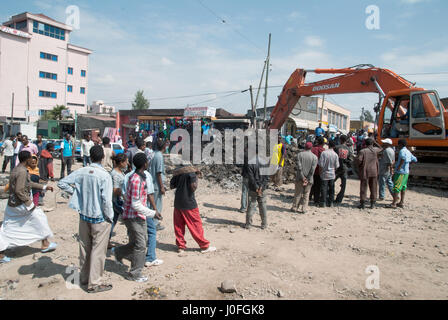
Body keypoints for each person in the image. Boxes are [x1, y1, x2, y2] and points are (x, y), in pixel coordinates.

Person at [58, 146, 114, 293]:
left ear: (90, 157)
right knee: (98, 251)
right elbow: (107, 201)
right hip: (100, 217)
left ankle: (83, 278)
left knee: (84, 248)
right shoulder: (104, 175)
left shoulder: (82, 171)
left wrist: (77, 193)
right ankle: (94, 283)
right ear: (102, 158)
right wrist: (110, 217)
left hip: (84, 216)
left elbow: (62, 183)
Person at [112, 153, 162, 282]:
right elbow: (135, 204)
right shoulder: (136, 180)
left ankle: (118, 252)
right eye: (147, 161)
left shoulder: (142, 176)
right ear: (145, 164)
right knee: (140, 245)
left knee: (139, 241)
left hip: (139, 215)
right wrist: (153, 213)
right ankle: (134, 273)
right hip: (133, 216)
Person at [0, 151, 56, 264]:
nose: (33, 161)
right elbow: (19, 190)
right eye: (31, 159)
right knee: (40, 217)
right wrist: (29, 203)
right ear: (27, 160)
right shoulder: (22, 172)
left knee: (8, 226)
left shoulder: (17, 169)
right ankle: (45, 244)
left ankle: (1, 253)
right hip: (20, 205)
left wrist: (44, 187)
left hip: (12, 204)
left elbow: (28, 184)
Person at [170, 166, 216, 253]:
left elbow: (172, 186)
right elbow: (193, 187)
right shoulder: (192, 173)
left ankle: (180, 246)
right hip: (189, 203)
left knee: (178, 225)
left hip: (178, 202)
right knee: (195, 224)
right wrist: (196, 177)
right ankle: (204, 246)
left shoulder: (178, 172)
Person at [388, 139, 417, 209]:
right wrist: (408, 165)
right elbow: (415, 159)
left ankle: (394, 203)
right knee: (403, 187)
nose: (397, 146)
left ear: (400, 145)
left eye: (398, 145)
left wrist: (398, 168)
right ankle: (401, 202)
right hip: (406, 172)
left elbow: (403, 159)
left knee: (396, 187)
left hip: (400, 172)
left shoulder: (402, 151)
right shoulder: (408, 151)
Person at [244, 151, 270, 229]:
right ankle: (264, 224)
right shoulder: (265, 163)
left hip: (253, 188)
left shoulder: (250, 163)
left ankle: (248, 224)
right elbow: (266, 177)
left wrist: (256, 187)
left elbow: (251, 177)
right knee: (263, 206)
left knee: (251, 205)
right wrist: (261, 187)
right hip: (263, 188)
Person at [291, 142, 318, 214]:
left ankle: (295, 207)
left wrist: (303, 177)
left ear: (304, 147)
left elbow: (299, 168)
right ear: (311, 148)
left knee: (297, 193)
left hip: (299, 177)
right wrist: (307, 179)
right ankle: (304, 209)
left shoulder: (299, 155)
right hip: (309, 179)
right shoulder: (314, 157)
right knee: (306, 194)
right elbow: (312, 170)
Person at [108, 153, 128, 249]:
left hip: (118, 200)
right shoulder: (115, 174)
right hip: (117, 201)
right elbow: (115, 190)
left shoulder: (120, 172)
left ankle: (106, 240)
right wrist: (124, 193)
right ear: (121, 163)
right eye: (126, 162)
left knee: (113, 221)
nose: (127, 163)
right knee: (129, 220)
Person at [357, 138, 382, 209]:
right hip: (374, 171)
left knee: (363, 187)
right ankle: (372, 203)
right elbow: (381, 148)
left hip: (365, 171)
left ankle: (362, 203)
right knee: (374, 187)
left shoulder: (363, 151)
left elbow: (359, 161)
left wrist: (358, 167)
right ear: (372, 144)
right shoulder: (375, 150)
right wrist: (375, 142)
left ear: (365, 143)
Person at [149, 138, 167, 231]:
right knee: (157, 204)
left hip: (151, 182)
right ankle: (155, 223)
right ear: (164, 146)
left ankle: (151, 222)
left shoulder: (152, 154)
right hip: (156, 184)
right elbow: (158, 172)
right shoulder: (159, 156)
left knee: (152, 205)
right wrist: (162, 187)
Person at [318, 140, 340, 208]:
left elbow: (321, 165)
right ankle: (331, 202)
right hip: (332, 174)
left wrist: (320, 172)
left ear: (328, 145)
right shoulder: (335, 155)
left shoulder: (324, 153)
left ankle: (323, 202)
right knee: (331, 188)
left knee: (324, 188)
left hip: (324, 173)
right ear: (334, 146)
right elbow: (337, 166)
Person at [334, 135, 353, 204]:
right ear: (346, 140)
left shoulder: (336, 148)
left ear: (340, 140)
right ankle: (339, 199)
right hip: (344, 168)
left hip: (336, 168)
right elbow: (350, 160)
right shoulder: (348, 149)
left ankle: (329, 196)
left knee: (331, 182)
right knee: (343, 185)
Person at [309, 137, 325, 205]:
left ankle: (309, 197)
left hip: (312, 170)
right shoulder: (324, 151)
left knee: (311, 185)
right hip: (320, 171)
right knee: (318, 186)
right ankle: (316, 199)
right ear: (323, 143)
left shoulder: (313, 149)